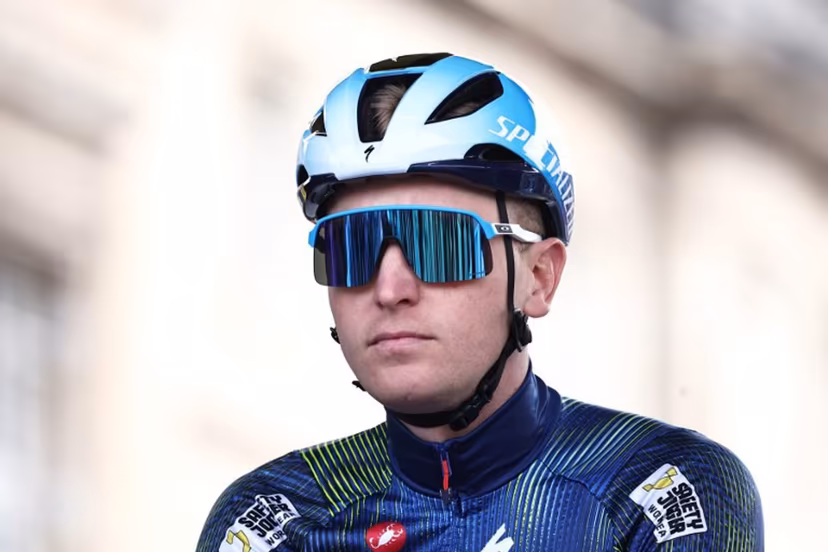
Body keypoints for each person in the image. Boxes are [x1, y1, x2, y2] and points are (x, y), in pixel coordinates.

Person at [196, 52, 763, 551]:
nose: (390, 289)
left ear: (539, 277)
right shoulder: (272, 519)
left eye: (440, 244)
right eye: (350, 249)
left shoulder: (659, 490)